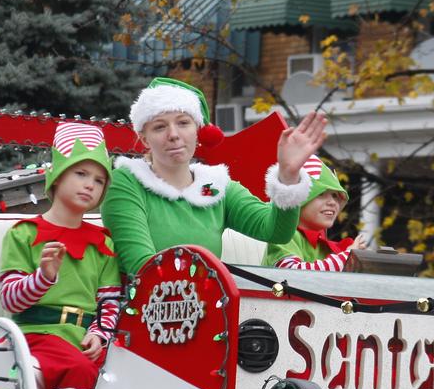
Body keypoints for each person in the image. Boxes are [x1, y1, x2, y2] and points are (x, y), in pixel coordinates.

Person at [102, 77, 325, 275]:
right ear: (143, 138)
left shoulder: (216, 186)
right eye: (160, 127)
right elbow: (142, 267)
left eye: (183, 123)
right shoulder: (126, 182)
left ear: (197, 130)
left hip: (208, 311)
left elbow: (276, 231)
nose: (173, 135)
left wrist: (288, 177)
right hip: (143, 314)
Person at [0, 122, 122, 389]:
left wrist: (99, 334)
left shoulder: (104, 243)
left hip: (84, 342)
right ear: (56, 177)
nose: (90, 184)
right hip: (36, 337)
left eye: (99, 180)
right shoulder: (23, 234)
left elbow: (110, 300)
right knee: (77, 369)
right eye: (81, 173)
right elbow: (10, 299)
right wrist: (43, 276)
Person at [263, 156, 367, 271]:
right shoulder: (283, 234)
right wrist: (346, 258)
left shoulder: (323, 244)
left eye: (335, 195)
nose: (333, 202)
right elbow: (292, 274)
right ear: (298, 200)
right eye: (320, 194)